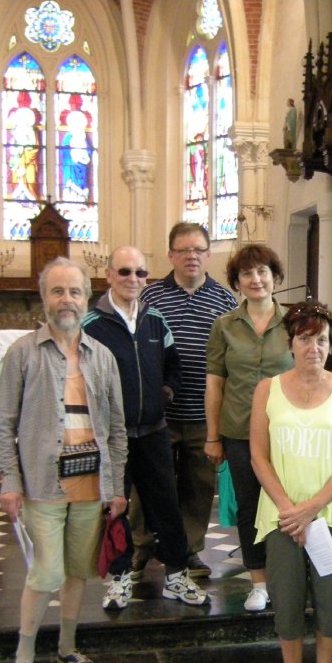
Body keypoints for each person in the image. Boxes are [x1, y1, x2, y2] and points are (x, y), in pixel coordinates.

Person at [0, 257, 128, 663]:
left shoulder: (103, 357)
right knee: (46, 573)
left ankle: (68, 646)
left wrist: (117, 487)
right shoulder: (22, 354)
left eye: (73, 291)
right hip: (43, 483)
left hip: (91, 484)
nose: (66, 300)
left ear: (85, 298)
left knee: (76, 573)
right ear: (44, 297)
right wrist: (10, 482)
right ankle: (24, 654)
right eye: (57, 291)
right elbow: (4, 427)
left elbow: (117, 428)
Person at [250, 302, 332, 663]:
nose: (313, 347)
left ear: (330, 344)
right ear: (291, 343)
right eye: (305, 339)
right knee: (286, 599)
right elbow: (258, 456)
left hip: (331, 516)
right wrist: (289, 510)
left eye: (321, 340)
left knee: (331, 600)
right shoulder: (268, 389)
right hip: (281, 515)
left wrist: (312, 510)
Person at [82, 246, 207, 610]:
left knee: (165, 505)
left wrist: (163, 393)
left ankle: (176, 576)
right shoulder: (92, 325)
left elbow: (173, 364)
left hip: (154, 430)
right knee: (117, 508)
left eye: (140, 273)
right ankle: (120, 580)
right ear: (108, 276)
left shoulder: (156, 320)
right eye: (124, 272)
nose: (133, 280)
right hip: (112, 436)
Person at [139, 223, 239, 578]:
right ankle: (143, 545)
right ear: (170, 256)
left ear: (209, 255)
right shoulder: (151, 297)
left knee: (198, 487)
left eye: (198, 249)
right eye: (183, 250)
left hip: (205, 413)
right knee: (151, 481)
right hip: (158, 414)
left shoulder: (225, 299)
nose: (191, 256)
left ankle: (189, 549)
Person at [206, 245, 294, 612]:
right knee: (249, 506)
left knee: (289, 504)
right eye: (247, 274)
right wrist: (213, 435)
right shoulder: (224, 325)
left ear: (275, 277)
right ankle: (258, 581)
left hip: (289, 430)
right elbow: (215, 384)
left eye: (262, 272)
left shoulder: (296, 321)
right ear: (237, 282)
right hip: (239, 431)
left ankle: (290, 575)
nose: (256, 280)